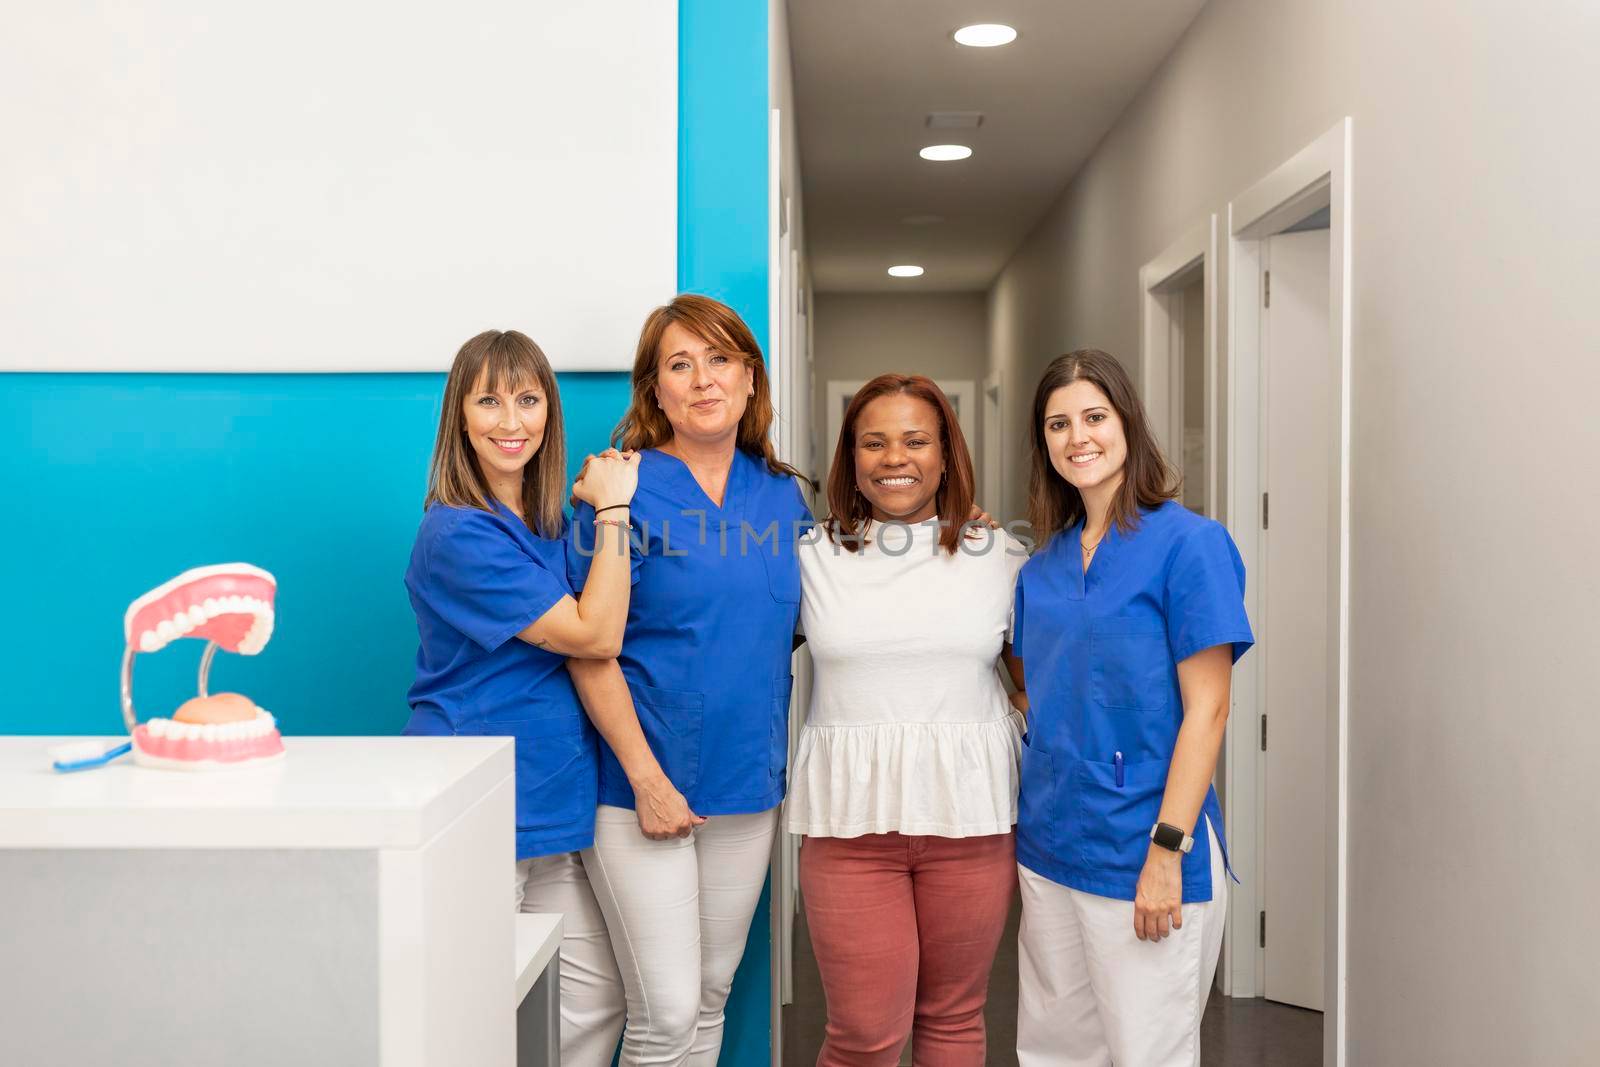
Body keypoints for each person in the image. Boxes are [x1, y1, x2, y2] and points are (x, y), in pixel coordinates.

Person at [565, 294, 812, 1065]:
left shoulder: (782, 496)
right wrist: (646, 778)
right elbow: (587, 649)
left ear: (748, 379)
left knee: (708, 995)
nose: (703, 379)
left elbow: (809, 622)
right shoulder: (618, 489)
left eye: (720, 359)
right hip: (638, 788)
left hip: (747, 785)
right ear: (656, 389)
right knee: (665, 1012)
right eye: (680, 364)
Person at [1011, 349, 1254, 1067]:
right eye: (1058, 424)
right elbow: (1034, 686)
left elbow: (1208, 710)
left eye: (1094, 417)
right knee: (1055, 1051)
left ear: (1128, 424)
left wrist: (1165, 850)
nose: (1077, 437)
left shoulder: (1191, 546)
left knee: (1147, 1052)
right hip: (1052, 844)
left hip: (1146, 845)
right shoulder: (1041, 565)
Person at [402, 329, 639, 1066]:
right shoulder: (458, 536)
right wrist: (614, 513)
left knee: (593, 995)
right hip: (477, 804)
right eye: (490, 400)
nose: (511, 420)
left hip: (548, 807)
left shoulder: (544, 528)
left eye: (528, 399)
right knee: (474, 1013)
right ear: (460, 417)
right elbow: (594, 634)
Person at [786, 374, 1028, 1066]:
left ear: (946, 455)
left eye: (916, 440)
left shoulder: (1002, 557)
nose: (896, 457)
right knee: (863, 1035)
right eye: (875, 442)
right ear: (852, 459)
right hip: (848, 831)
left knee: (953, 1019)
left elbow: (1033, 684)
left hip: (972, 824)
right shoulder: (811, 557)